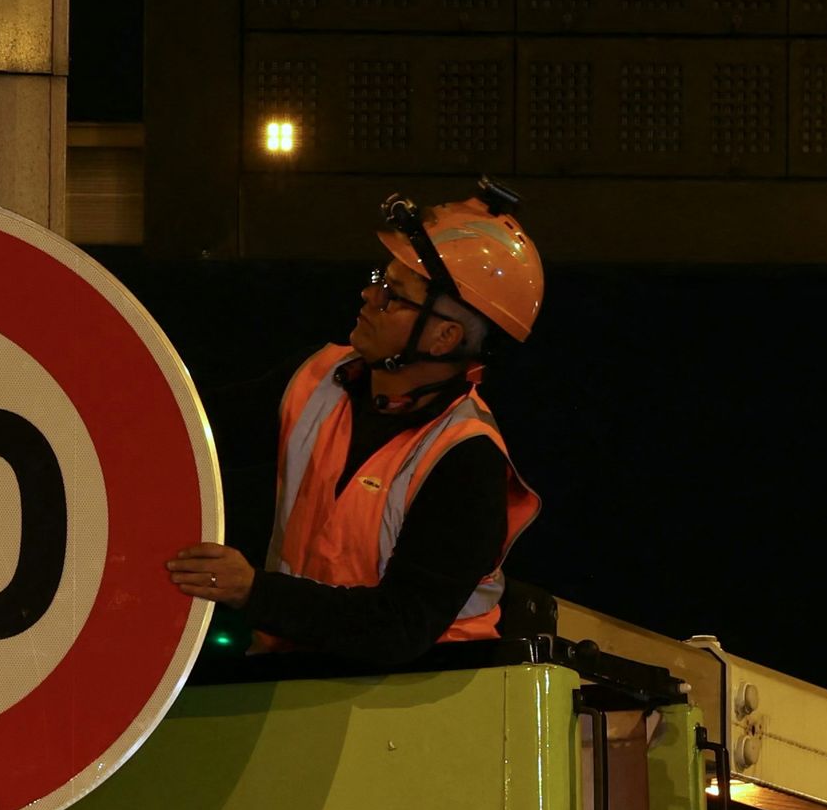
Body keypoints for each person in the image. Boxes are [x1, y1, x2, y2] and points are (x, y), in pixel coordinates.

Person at [165, 185, 545, 665]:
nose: (369, 295)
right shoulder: (316, 380)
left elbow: (401, 626)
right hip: (303, 681)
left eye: (394, 295)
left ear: (444, 337)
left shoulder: (466, 461)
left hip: (423, 707)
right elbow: (187, 435)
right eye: (378, 280)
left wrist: (253, 591)